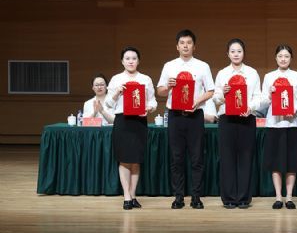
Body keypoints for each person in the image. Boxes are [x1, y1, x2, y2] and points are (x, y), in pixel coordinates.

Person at [156, 29, 215, 210]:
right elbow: (160, 91)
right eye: (182, 43)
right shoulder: (169, 66)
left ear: (194, 46)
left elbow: (211, 91)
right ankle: (178, 197)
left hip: (195, 116)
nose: (185, 46)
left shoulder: (203, 66)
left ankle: (196, 197)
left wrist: (197, 101)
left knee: (197, 158)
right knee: (176, 158)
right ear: (177, 46)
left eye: (189, 43)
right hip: (175, 116)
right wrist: (168, 87)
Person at [104, 47, 157, 210]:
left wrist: (150, 107)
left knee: (136, 159)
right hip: (123, 121)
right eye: (127, 58)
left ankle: (133, 195)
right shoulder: (116, 79)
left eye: (134, 58)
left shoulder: (145, 79)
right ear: (122, 61)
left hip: (139, 121)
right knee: (124, 159)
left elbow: (153, 101)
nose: (131, 61)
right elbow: (108, 104)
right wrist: (117, 93)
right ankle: (126, 196)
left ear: (138, 61)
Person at [213, 38, 261, 209]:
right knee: (227, 157)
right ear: (228, 54)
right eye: (232, 51)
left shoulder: (252, 73)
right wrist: (223, 93)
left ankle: (244, 198)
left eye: (239, 51)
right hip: (227, 119)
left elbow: (258, 97)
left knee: (246, 157)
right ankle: (228, 198)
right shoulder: (222, 73)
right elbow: (215, 98)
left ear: (244, 53)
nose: (236, 54)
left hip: (246, 118)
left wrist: (250, 107)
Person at [262, 44, 297, 210]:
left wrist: (295, 109)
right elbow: (263, 100)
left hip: (292, 124)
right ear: (276, 58)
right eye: (280, 56)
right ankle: (278, 197)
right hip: (274, 124)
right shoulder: (269, 77)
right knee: (276, 161)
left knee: (291, 162)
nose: (283, 59)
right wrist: (270, 94)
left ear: (291, 58)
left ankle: (289, 197)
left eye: (286, 56)